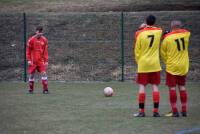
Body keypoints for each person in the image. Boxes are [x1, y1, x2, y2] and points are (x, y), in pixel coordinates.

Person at [133, 15, 162, 117]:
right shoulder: (158, 31)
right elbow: (159, 29)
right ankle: (155, 112)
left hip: (143, 64)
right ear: (154, 22)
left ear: (145, 22)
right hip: (155, 64)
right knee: (155, 86)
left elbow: (136, 51)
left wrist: (141, 28)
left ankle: (141, 112)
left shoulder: (139, 34)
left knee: (142, 86)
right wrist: (148, 26)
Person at [161, 20, 191, 117]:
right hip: (183, 65)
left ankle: (174, 111)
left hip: (172, 66)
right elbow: (185, 30)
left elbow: (163, 53)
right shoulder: (186, 35)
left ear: (171, 27)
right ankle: (184, 110)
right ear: (180, 27)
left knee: (172, 88)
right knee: (182, 87)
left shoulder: (167, 38)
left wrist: (167, 62)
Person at [26, 26, 49, 94]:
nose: (40, 34)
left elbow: (45, 51)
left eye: (41, 32)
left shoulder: (44, 40)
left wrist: (46, 61)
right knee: (32, 75)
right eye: (39, 32)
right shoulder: (31, 40)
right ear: (36, 32)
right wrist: (29, 60)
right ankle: (31, 89)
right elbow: (28, 51)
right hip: (33, 61)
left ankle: (45, 90)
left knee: (44, 73)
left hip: (41, 61)